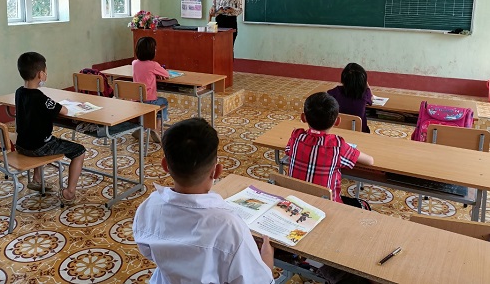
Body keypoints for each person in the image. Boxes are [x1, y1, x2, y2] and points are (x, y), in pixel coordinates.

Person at [133, 118, 275, 284]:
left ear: (165, 166)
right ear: (216, 171)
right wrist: (266, 261)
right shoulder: (229, 226)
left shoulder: (149, 206)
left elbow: (148, 251)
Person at [15, 52, 86, 205]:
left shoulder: (19, 92)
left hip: (21, 145)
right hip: (39, 147)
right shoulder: (40, 98)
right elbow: (64, 111)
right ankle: (69, 192)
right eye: (45, 71)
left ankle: (37, 178)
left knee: (36, 134)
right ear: (41, 74)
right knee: (79, 151)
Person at [285, 92, 374, 204]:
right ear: (337, 121)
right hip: (327, 206)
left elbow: (288, 151)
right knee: (363, 205)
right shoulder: (337, 145)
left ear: (303, 118)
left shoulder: (296, 136)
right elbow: (370, 161)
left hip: (295, 202)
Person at [132, 36, 169, 142]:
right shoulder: (153, 65)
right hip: (149, 100)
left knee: (149, 107)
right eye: (155, 48)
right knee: (164, 102)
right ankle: (156, 128)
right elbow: (166, 74)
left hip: (136, 100)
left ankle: (142, 128)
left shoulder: (134, 63)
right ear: (151, 51)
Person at [327, 63, 373, 133]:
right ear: (363, 81)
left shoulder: (336, 91)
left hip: (338, 131)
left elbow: (326, 95)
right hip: (360, 132)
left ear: (343, 80)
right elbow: (371, 98)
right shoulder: (364, 94)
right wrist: (366, 85)